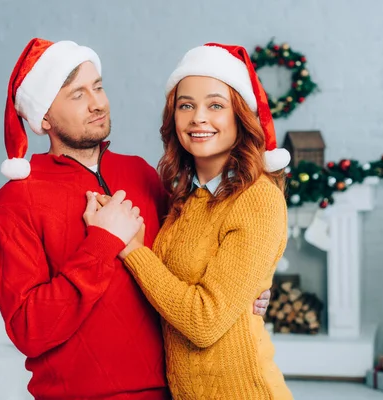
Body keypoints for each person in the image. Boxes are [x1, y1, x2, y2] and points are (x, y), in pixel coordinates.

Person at [0, 37, 269, 400]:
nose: (98, 104)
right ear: (44, 116)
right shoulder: (15, 202)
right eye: (77, 95)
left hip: (176, 391)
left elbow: (193, 262)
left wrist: (246, 286)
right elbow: (28, 330)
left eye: (99, 87)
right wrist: (102, 244)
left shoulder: (141, 174)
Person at [113, 43, 294, 399]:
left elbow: (204, 321)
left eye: (215, 105)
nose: (198, 118)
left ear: (239, 116)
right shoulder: (185, 197)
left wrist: (133, 250)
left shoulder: (257, 198)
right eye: (186, 105)